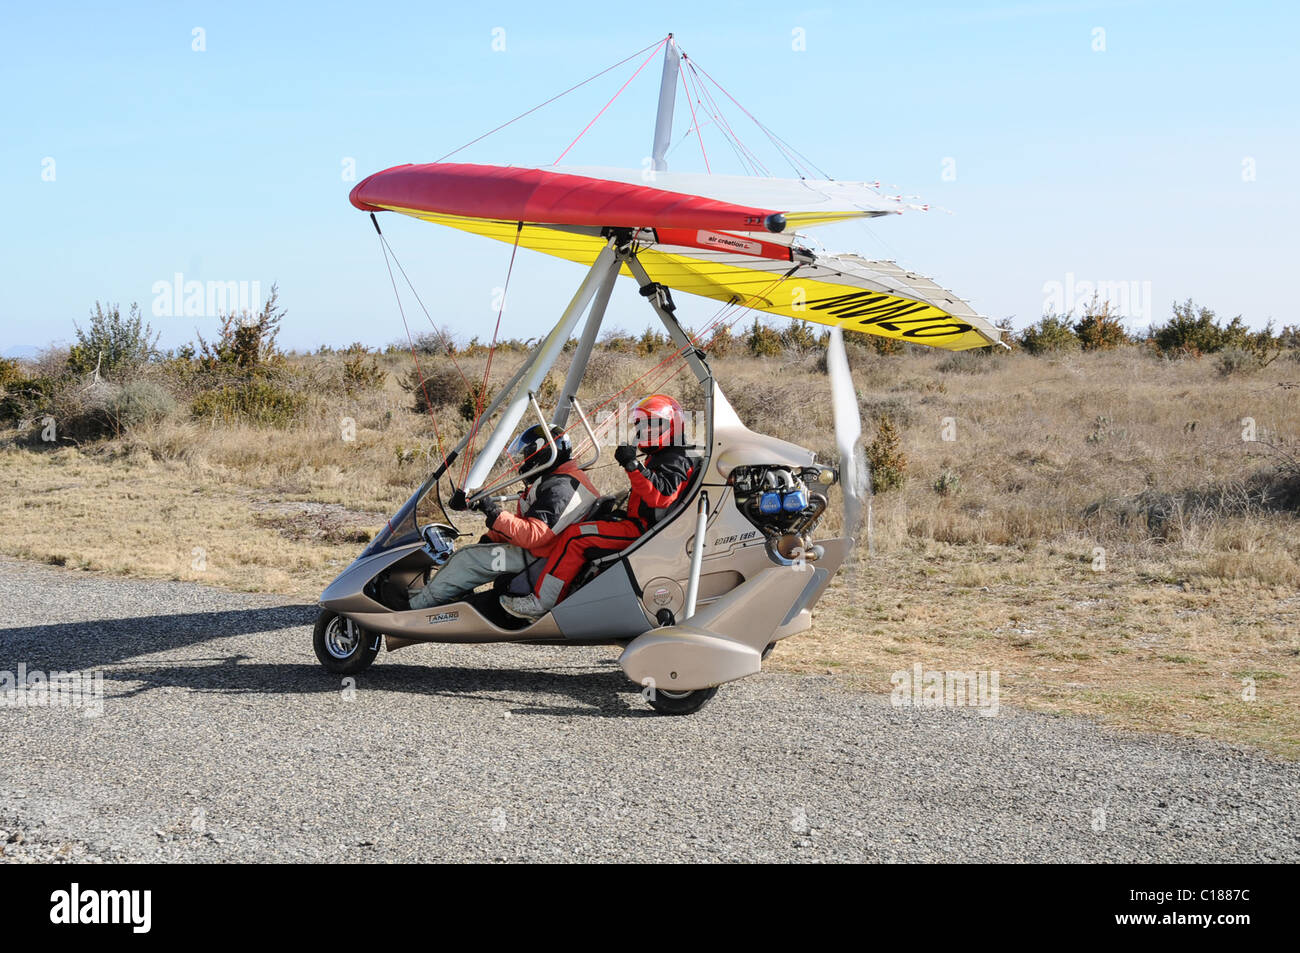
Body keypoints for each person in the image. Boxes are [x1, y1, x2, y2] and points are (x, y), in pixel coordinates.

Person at [500, 394, 695, 620]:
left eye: (652, 425)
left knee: (576, 537)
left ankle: (540, 602)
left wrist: (633, 466)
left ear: (671, 425)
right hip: (644, 524)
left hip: (648, 531)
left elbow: (661, 497)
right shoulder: (668, 453)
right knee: (586, 526)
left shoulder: (677, 456)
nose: (645, 431)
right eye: (642, 425)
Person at [381, 424, 598, 611]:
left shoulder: (561, 487)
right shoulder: (563, 479)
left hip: (538, 558)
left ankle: (412, 608)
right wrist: (492, 538)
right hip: (544, 552)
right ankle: (434, 596)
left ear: (542, 453)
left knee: (467, 560)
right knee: (470, 554)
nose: (523, 462)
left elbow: (533, 535)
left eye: (527, 455)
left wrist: (492, 512)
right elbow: (530, 527)